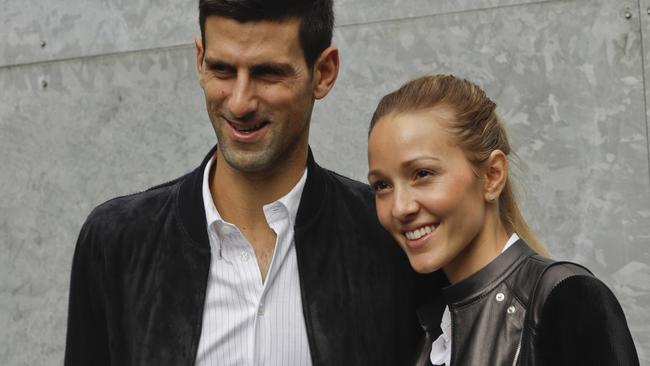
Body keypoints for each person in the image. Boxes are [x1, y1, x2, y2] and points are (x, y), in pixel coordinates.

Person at [64, 1, 437, 365]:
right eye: (222, 70)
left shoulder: (390, 240)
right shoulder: (116, 242)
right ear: (200, 60)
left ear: (323, 72)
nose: (240, 103)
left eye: (267, 73)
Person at [367, 74, 639, 366]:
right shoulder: (426, 332)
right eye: (382, 185)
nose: (399, 207)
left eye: (422, 174)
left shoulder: (568, 300)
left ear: (492, 175)